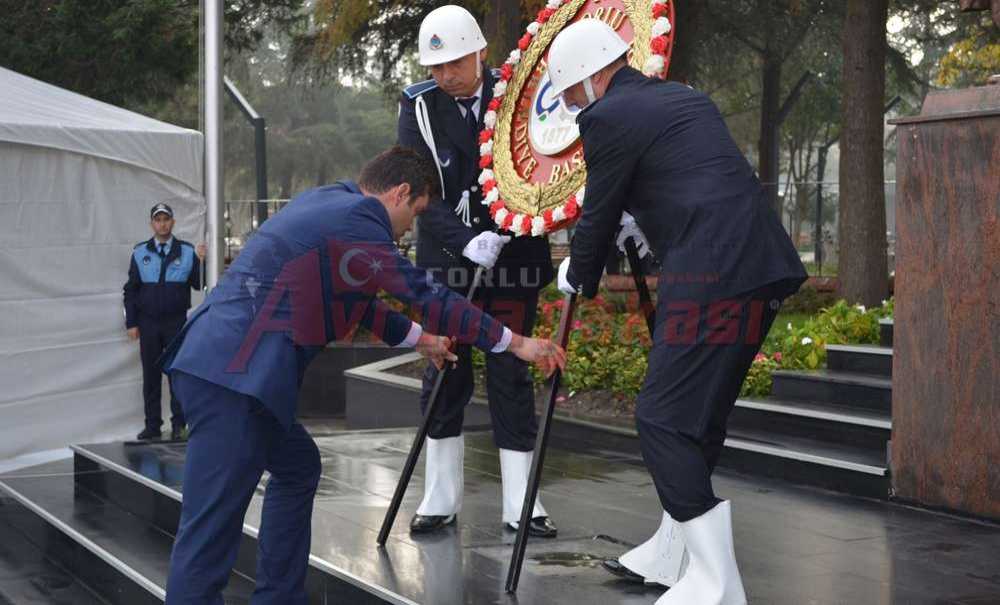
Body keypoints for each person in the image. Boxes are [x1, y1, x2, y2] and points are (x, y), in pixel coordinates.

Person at [159, 146, 566, 604]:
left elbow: (357, 300)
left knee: (297, 468)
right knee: (210, 527)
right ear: (400, 192)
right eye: (415, 213)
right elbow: (421, 291)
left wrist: (423, 341)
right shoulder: (360, 217)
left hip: (234, 371)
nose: (410, 227)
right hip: (232, 378)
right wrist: (515, 342)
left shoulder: (329, 202)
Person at [547, 20, 808, 605]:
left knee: (662, 418)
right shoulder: (682, 97)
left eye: (567, 93)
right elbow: (687, 178)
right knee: (698, 418)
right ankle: (675, 550)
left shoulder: (607, 117)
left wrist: (578, 272)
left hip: (712, 271)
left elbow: (598, 208)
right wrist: (646, 218)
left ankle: (716, 583)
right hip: (760, 264)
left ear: (591, 78)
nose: (567, 106)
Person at [397, 4, 558, 537]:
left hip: (514, 259)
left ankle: (522, 504)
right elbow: (420, 191)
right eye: (436, 68)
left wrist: (515, 225)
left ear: (481, 52)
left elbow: (544, 161)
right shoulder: (417, 108)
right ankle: (440, 498)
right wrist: (466, 241)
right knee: (446, 370)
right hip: (449, 264)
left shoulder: (519, 94)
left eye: (456, 64)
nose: (446, 76)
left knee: (512, 372)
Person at [123, 203, 206, 441]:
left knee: (176, 374)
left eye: (166, 219)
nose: (162, 224)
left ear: (173, 222)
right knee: (151, 375)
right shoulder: (140, 253)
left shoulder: (187, 252)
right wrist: (132, 323)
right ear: (152, 224)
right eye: (158, 220)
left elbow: (199, 285)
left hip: (176, 324)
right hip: (148, 324)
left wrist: (202, 262)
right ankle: (152, 426)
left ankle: (179, 425)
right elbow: (130, 291)